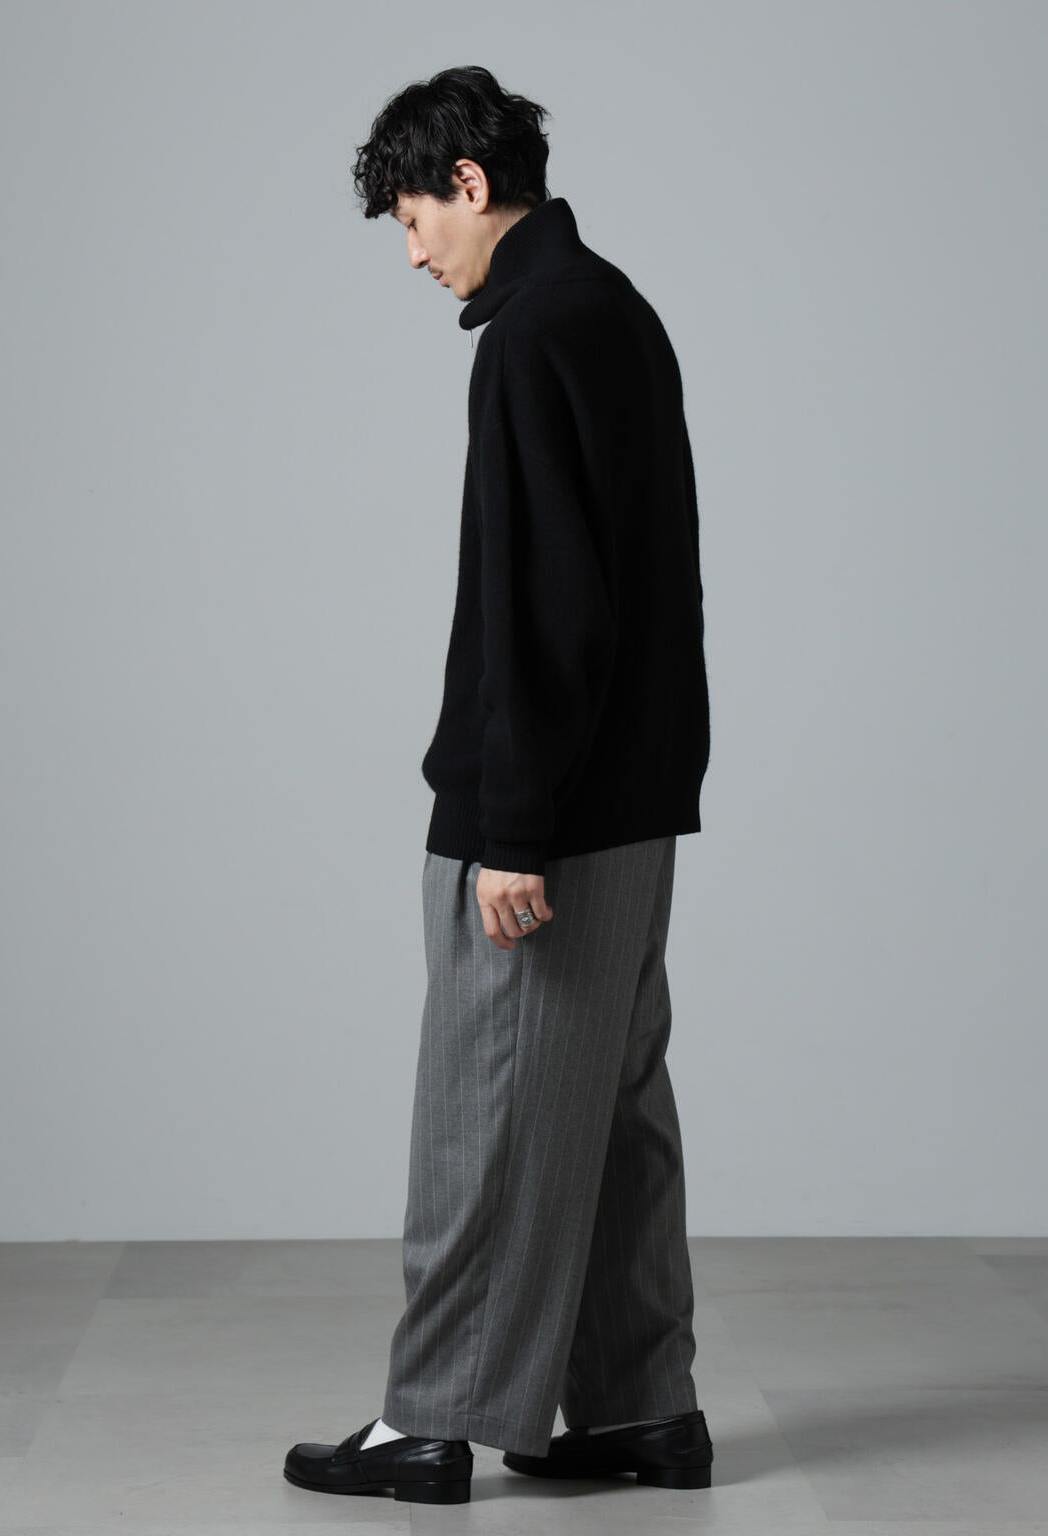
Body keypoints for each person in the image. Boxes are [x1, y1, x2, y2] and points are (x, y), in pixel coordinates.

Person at [283, 65, 713, 1506]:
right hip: (633, 799)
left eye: (414, 219)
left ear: (470, 185)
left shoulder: (532, 334)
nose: (413, 254)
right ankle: (644, 1408)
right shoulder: (618, 310)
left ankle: (432, 1422)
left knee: (489, 1110)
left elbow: (543, 605)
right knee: (613, 1113)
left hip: (549, 815)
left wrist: (513, 827)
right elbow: (647, 592)